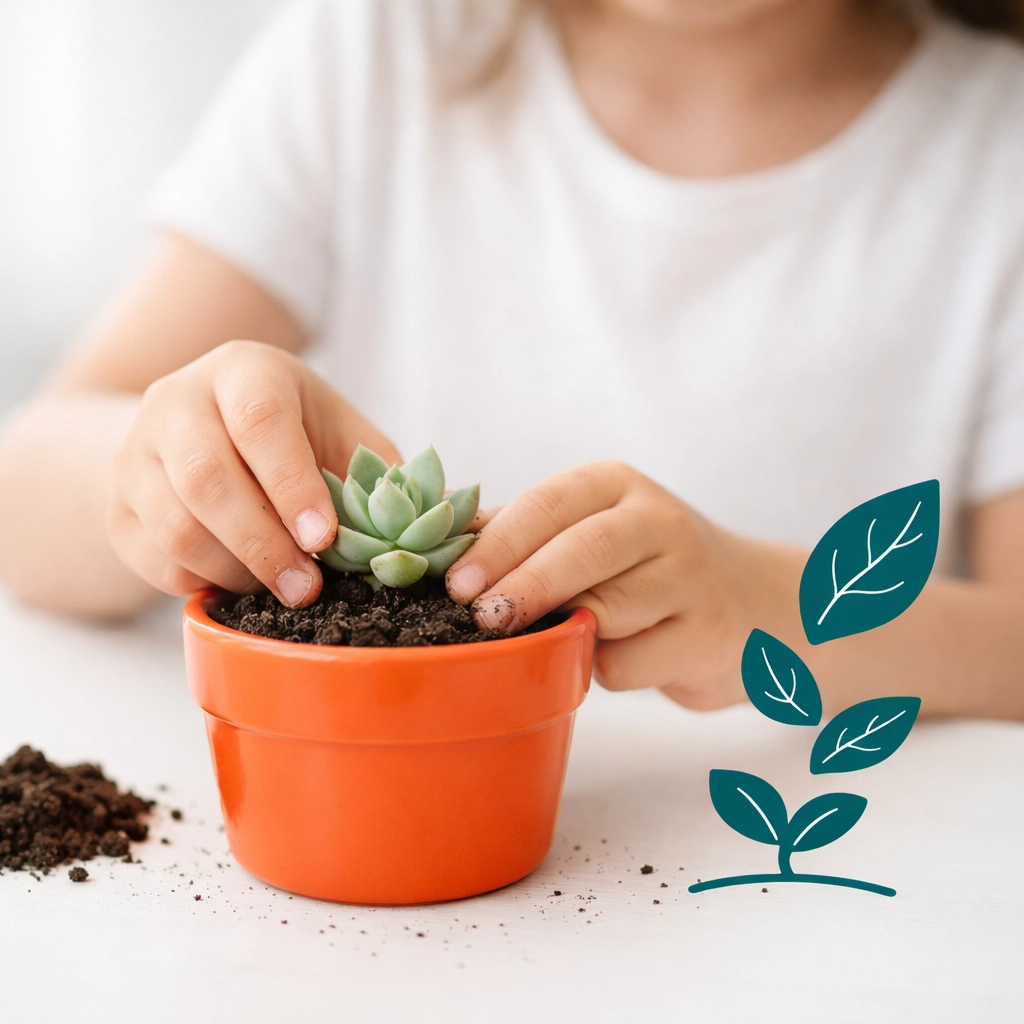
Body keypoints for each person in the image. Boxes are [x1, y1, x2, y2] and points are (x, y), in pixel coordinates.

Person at [1, 0, 1022, 720]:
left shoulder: (992, 152)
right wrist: (156, 471)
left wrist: (768, 608)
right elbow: (24, 491)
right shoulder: (378, 54)